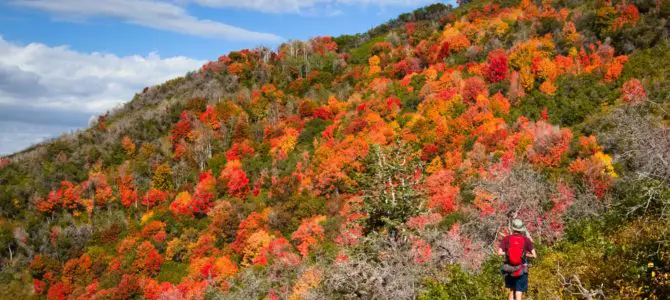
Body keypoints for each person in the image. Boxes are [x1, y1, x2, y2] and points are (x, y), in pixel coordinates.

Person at [498, 219, 536, 300]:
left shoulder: (506, 239)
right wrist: (525, 254)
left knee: (512, 290)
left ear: (513, 228)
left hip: (509, 268)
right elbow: (534, 255)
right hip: (522, 269)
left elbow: (499, 252)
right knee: (519, 291)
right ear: (521, 229)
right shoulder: (526, 240)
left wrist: (508, 253)